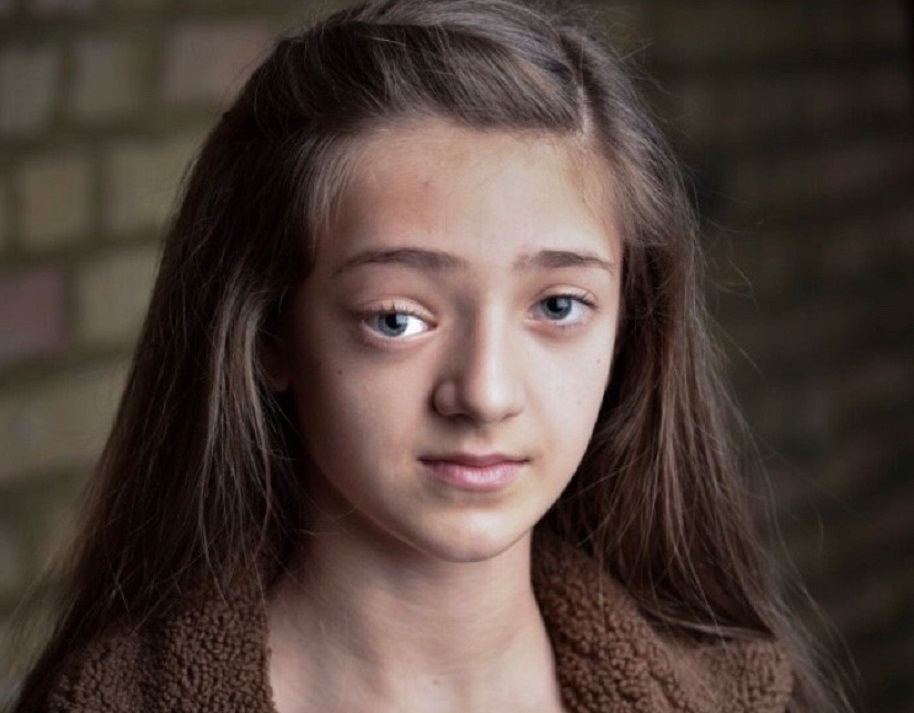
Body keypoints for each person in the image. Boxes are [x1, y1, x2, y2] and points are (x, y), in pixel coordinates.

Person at [9, 1, 845, 711]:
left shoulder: (741, 698)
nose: (484, 393)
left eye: (558, 306)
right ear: (269, 335)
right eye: (398, 319)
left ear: (630, 326)